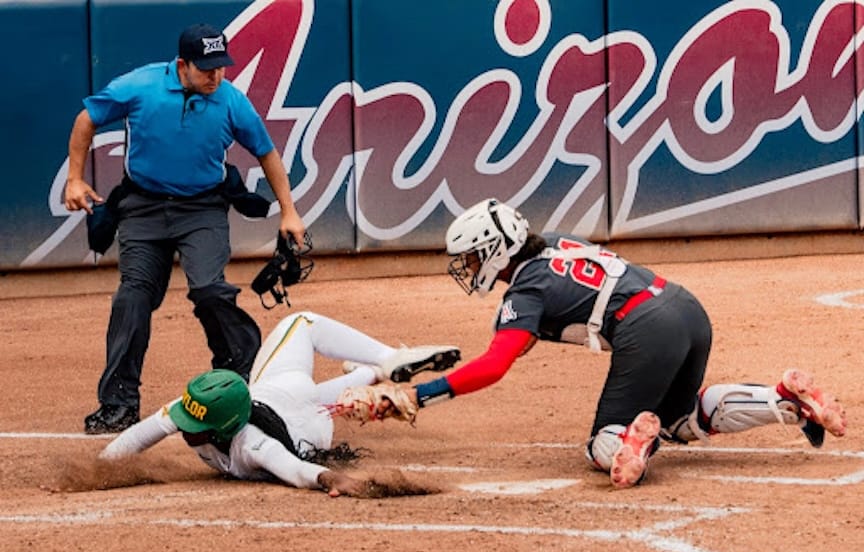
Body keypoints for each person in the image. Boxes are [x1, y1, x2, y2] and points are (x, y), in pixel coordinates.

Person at [336, 198, 847, 489]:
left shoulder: (526, 289)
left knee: (601, 443)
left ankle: (629, 443)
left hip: (645, 328)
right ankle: (780, 400)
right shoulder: (552, 240)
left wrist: (418, 396)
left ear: (495, 250)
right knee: (681, 417)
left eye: (472, 258)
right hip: (685, 306)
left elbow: (496, 365)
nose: (469, 269)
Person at [64, 23, 306, 434]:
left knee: (210, 289)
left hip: (203, 209)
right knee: (133, 297)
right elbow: (87, 118)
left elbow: (267, 153)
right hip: (143, 207)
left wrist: (289, 210)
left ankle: (239, 380)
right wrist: (75, 178)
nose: (216, 76)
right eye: (206, 68)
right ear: (182, 65)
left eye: (221, 67)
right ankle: (118, 404)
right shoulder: (140, 86)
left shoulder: (231, 102)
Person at [100, 311, 461, 496]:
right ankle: (374, 368)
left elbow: (297, 471)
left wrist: (335, 480)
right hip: (300, 416)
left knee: (300, 328)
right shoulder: (201, 406)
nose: (186, 429)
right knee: (302, 334)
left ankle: (386, 362)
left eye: (196, 427)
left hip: (297, 416)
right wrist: (96, 471)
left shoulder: (253, 444)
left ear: (225, 427)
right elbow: (141, 434)